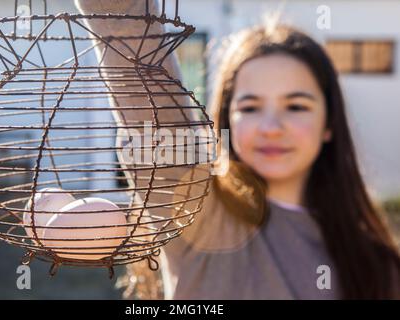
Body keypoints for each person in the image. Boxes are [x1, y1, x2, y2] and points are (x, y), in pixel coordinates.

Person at [74, 0, 400, 299]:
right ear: (226, 120)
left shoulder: (376, 264)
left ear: (329, 123)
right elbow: (128, 37)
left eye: (296, 106)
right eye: (251, 107)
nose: (271, 127)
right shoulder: (199, 213)